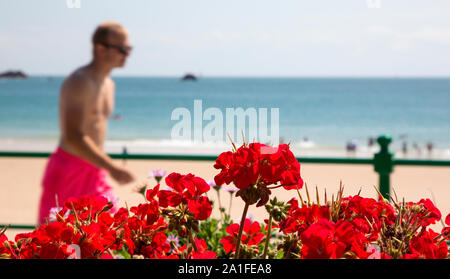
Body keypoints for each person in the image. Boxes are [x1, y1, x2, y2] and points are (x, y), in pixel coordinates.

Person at [38, 22, 135, 224]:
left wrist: (105, 167)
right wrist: (113, 168)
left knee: (110, 237)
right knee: (57, 244)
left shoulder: (109, 84)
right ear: (100, 48)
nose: (127, 54)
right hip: (69, 171)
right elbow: (74, 135)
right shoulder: (80, 81)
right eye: (122, 49)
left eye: (129, 49)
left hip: (95, 171)